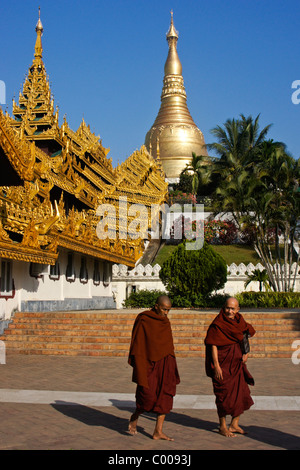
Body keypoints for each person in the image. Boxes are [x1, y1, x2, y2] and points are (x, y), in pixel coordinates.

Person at [128, 295, 180, 441]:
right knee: (146, 395)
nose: (165, 313)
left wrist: (171, 364)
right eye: (164, 309)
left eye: (168, 310)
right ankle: (136, 415)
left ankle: (158, 430)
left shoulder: (165, 322)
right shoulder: (144, 319)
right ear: (156, 306)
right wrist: (139, 364)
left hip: (165, 362)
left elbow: (168, 344)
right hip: (148, 363)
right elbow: (138, 343)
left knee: (165, 396)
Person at [204, 297, 256, 437]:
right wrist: (216, 365)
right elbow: (213, 344)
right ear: (224, 307)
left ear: (238, 309)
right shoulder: (218, 323)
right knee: (223, 395)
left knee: (241, 394)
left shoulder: (240, 320)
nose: (230, 311)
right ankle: (222, 426)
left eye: (233, 309)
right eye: (228, 308)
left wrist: (246, 352)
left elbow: (245, 333)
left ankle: (234, 424)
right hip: (223, 364)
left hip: (237, 364)